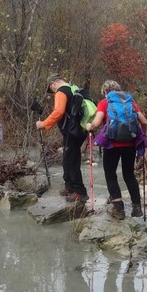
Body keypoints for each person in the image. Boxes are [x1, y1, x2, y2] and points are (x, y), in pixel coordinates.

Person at [86, 80, 147, 219]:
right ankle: (136, 208)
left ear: (105, 92)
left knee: (110, 174)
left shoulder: (105, 102)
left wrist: (90, 126)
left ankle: (118, 208)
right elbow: (144, 121)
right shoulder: (129, 102)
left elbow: (96, 122)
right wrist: (143, 135)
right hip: (130, 144)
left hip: (112, 145)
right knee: (129, 175)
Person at [36, 73, 88, 204]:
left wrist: (43, 124)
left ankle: (80, 192)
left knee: (72, 160)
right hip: (80, 130)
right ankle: (69, 186)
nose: (53, 91)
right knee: (68, 157)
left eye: (51, 88)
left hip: (72, 132)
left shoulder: (61, 92)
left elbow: (58, 111)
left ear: (53, 84)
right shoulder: (74, 89)